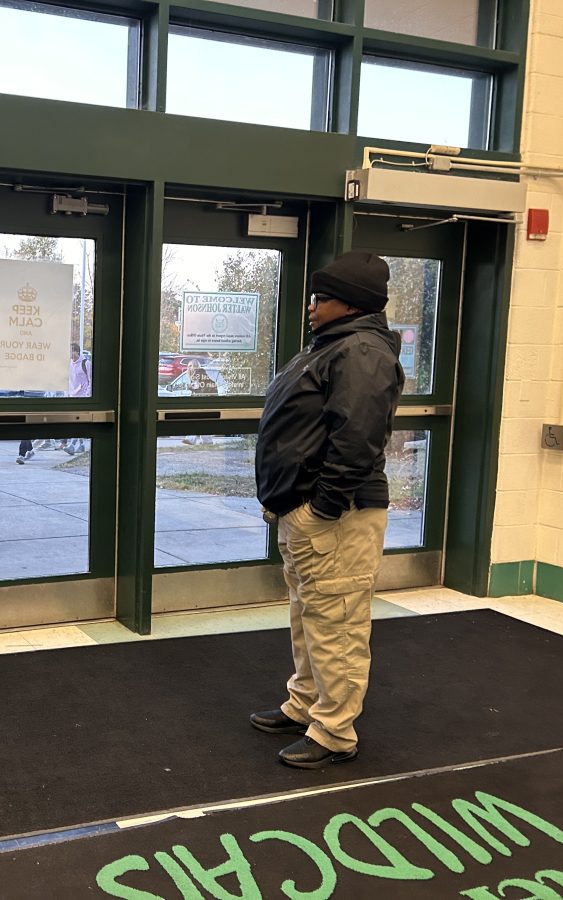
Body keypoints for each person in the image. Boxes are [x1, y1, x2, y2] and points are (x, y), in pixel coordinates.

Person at [248, 251, 404, 769]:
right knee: (309, 616)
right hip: (308, 513)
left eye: (321, 298)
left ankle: (335, 731)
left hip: (337, 517)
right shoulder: (334, 346)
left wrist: (323, 508)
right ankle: (306, 703)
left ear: (351, 303)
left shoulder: (361, 352)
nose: (311, 307)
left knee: (336, 621)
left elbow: (356, 440)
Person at [181, 360, 217, 446]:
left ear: (196, 366)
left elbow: (198, 388)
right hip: (205, 400)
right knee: (202, 421)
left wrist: (190, 388)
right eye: (188, 366)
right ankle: (207, 441)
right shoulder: (199, 374)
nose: (189, 368)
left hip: (204, 401)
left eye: (191, 366)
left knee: (196, 419)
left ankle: (191, 439)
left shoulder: (198, 374)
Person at [64, 342, 91, 455]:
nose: (69, 354)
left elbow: (91, 380)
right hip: (72, 396)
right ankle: (81, 445)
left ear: (76, 351)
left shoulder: (86, 363)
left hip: (83, 397)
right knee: (75, 421)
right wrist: (67, 394)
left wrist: (87, 396)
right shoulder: (69, 364)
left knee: (77, 422)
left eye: (71, 351)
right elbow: (67, 380)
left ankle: (72, 445)